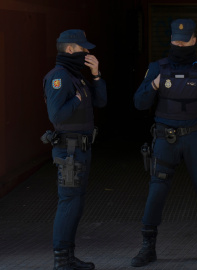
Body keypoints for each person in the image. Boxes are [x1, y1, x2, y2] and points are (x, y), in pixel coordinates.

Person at [132, 19, 197, 268]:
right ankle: (147, 247)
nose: (180, 45)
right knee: (157, 190)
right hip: (166, 137)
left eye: (185, 41)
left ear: (194, 40)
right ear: (171, 40)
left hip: (196, 136)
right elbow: (139, 103)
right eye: (176, 41)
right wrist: (153, 85)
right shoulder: (157, 68)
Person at [43, 29, 107, 270]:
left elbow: (101, 102)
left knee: (76, 203)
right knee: (69, 202)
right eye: (83, 49)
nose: (87, 52)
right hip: (68, 151)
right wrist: (78, 100)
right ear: (70, 49)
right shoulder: (58, 77)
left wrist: (96, 75)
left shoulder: (76, 77)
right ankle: (61, 260)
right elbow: (56, 115)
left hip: (81, 149)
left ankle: (68, 257)